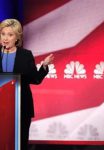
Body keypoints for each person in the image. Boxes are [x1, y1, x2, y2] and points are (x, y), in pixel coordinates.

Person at [0, 19, 54, 150]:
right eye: (3, 33)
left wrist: (44, 66)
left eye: (10, 34)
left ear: (17, 37)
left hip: (20, 108)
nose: (5, 38)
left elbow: (35, 79)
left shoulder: (25, 55)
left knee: (20, 143)